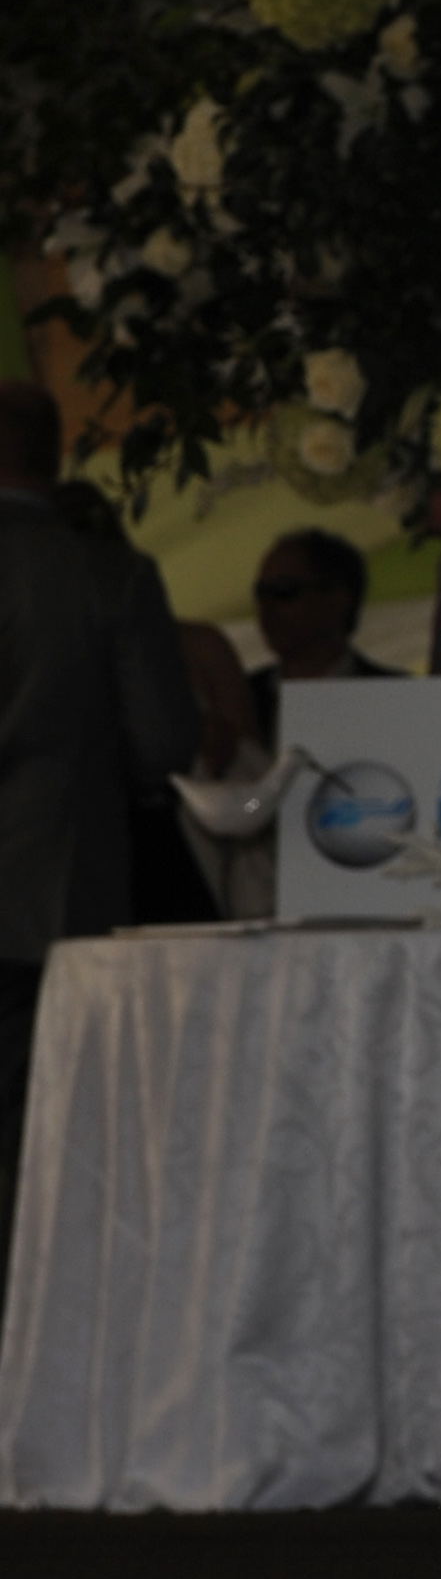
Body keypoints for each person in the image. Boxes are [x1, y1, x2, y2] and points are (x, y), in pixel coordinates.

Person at [0, 379, 197, 1245]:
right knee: (52, 1153)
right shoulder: (103, 574)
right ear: (53, 455)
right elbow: (163, 741)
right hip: (55, 891)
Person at [248, 527, 394, 743]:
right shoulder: (240, 700)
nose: (267, 607)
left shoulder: (396, 698)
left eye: (284, 590)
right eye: (261, 593)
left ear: (338, 599)